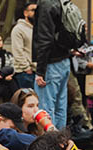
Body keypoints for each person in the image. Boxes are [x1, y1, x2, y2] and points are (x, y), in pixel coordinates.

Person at [32, 0, 74, 129]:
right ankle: (61, 141)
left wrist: (40, 71)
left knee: (46, 108)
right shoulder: (62, 3)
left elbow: (45, 39)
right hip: (64, 60)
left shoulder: (46, 5)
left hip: (50, 64)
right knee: (60, 107)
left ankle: (51, 144)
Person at [11, 1, 36, 90]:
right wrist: (26, 68)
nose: (35, 13)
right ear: (25, 13)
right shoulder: (18, 29)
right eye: (33, 10)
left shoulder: (37, 29)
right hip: (25, 73)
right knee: (27, 100)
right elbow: (18, 51)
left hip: (37, 71)